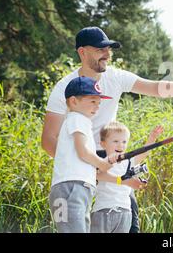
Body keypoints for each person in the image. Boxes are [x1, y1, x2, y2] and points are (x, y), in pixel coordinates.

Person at [41, 26, 173, 233]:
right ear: (82, 52)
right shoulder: (64, 88)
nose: (107, 54)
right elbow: (48, 140)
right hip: (82, 167)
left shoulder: (116, 77)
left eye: (109, 49)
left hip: (112, 160)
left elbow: (154, 88)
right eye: (101, 49)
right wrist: (86, 166)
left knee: (131, 225)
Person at [49, 76, 120, 233]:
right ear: (74, 101)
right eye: (92, 101)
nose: (97, 106)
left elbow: (80, 156)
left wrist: (101, 165)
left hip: (76, 187)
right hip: (72, 188)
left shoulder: (78, 121)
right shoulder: (78, 119)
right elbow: (83, 151)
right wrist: (102, 164)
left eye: (99, 103)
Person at [91, 121, 163, 233]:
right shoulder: (103, 162)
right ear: (103, 144)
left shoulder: (128, 162)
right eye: (115, 141)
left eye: (124, 142)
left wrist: (152, 138)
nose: (121, 145)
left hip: (125, 212)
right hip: (103, 211)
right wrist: (122, 180)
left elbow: (144, 153)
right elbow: (97, 174)